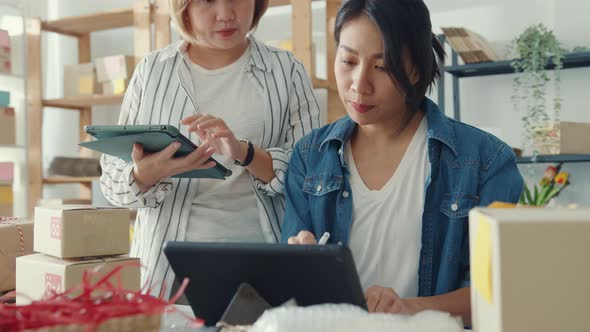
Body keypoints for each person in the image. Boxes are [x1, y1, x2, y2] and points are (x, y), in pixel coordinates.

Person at [281, 0, 523, 325]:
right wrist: (299, 262)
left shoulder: (485, 161)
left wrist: (408, 307)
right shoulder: (309, 156)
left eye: (381, 67)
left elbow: (498, 291)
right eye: (348, 60)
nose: (359, 83)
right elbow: (288, 289)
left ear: (415, 68)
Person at [100, 0, 320, 298]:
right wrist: (143, 174)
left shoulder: (286, 70)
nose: (226, 14)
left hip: (262, 262)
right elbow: (112, 182)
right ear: (184, 7)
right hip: (168, 269)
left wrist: (245, 153)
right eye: (207, 1)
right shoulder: (152, 71)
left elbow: (311, 176)